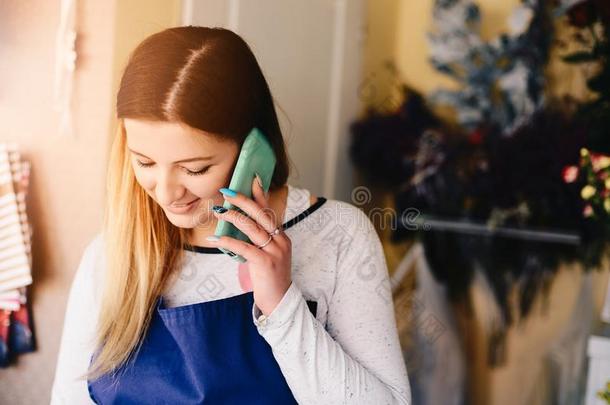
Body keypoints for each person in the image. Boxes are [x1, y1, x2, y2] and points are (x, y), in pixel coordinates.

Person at [50, 26, 411, 404]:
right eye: (145, 162)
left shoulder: (339, 235)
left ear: (252, 148)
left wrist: (282, 305)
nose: (167, 192)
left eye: (194, 169)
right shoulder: (111, 255)